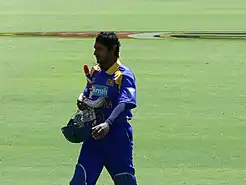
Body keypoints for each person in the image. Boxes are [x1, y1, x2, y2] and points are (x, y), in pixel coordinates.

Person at [70, 32, 138, 185]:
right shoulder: (95, 72)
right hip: (93, 138)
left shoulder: (123, 75)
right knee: (80, 181)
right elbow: (88, 94)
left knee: (125, 181)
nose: (95, 53)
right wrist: (83, 101)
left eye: (99, 49)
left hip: (117, 139)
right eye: (95, 48)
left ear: (112, 49)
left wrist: (108, 123)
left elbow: (125, 103)